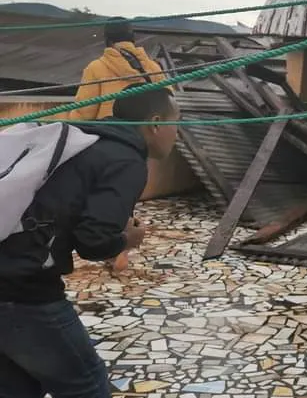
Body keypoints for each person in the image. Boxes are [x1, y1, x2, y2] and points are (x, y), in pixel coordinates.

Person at [0, 84, 180, 397]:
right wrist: (127, 239)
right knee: (87, 384)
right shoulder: (125, 160)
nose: (177, 134)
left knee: (18, 387)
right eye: (176, 123)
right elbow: (93, 241)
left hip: (8, 275)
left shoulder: (86, 138)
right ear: (155, 123)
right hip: (24, 291)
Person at [68, 18, 169, 271]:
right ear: (133, 39)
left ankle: (113, 248)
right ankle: (121, 249)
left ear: (107, 40)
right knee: (126, 196)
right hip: (141, 140)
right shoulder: (153, 68)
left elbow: (83, 111)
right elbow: (166, 103)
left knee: (106, 198)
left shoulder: (98, 67)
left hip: (108, 141)